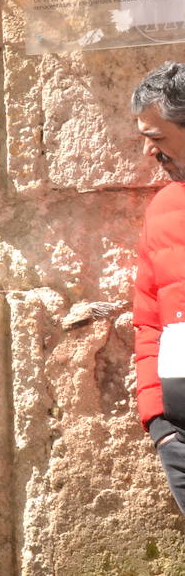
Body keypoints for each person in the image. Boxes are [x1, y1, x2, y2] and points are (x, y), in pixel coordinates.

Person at [131, 62, 185, 513]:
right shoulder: (163, 207)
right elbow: (149, 321)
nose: (149, 151)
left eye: (158, 137)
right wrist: (160, 425)